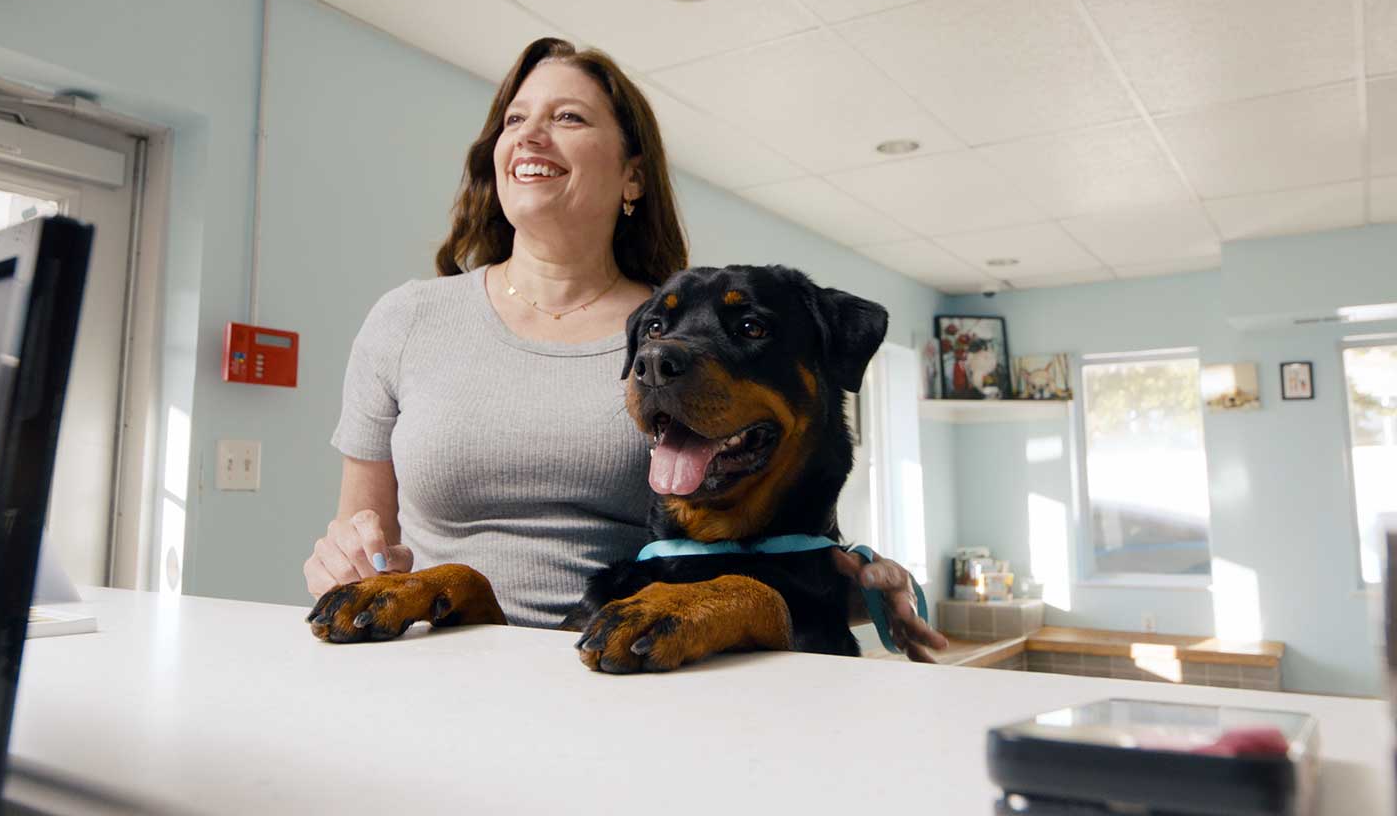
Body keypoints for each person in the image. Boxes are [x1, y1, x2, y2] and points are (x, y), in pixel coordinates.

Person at [303, 37, 947, 661]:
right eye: (514, 119)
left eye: (568, 117)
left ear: (632, 174)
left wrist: (855, 586)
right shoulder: (407, 318)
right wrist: (345, 557)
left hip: (636, 665)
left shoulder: (683, 317)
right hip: (438, 663)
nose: (529, 133)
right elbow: (362, 530)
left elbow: (768, 519)